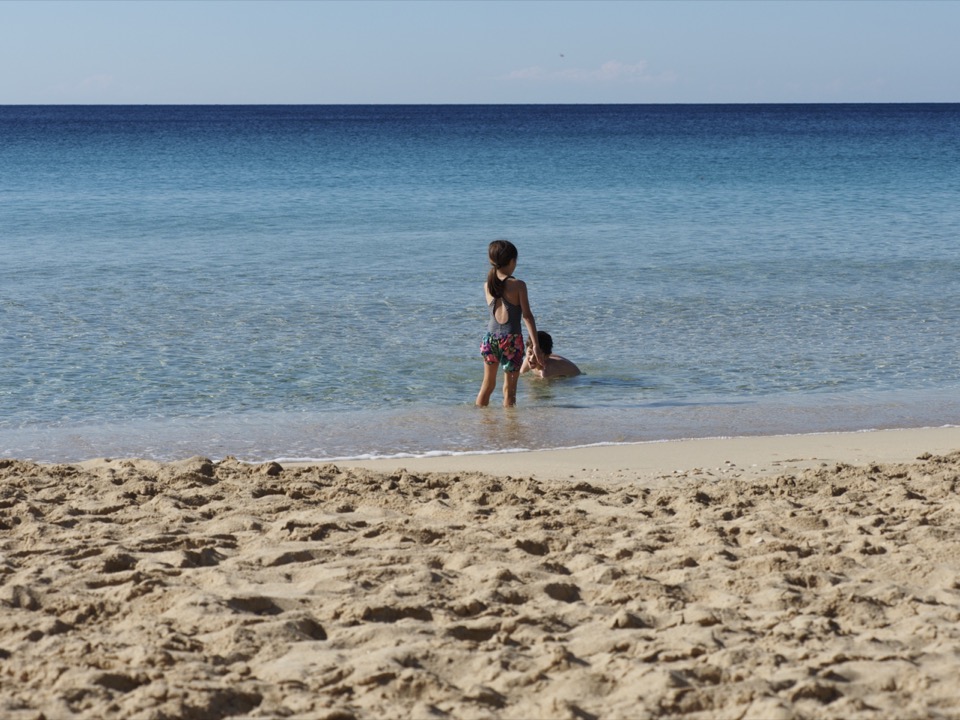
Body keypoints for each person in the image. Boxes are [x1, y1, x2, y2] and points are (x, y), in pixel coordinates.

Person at [477, 239, 545, 407]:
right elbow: (527, 316)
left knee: (487, 386)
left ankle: (479, 423)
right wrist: (535, 345)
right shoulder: (518, 285)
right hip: (511, 342)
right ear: (512, 261)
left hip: (490, 339)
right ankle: (510, 430)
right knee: (509, 391)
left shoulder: (487, 285)